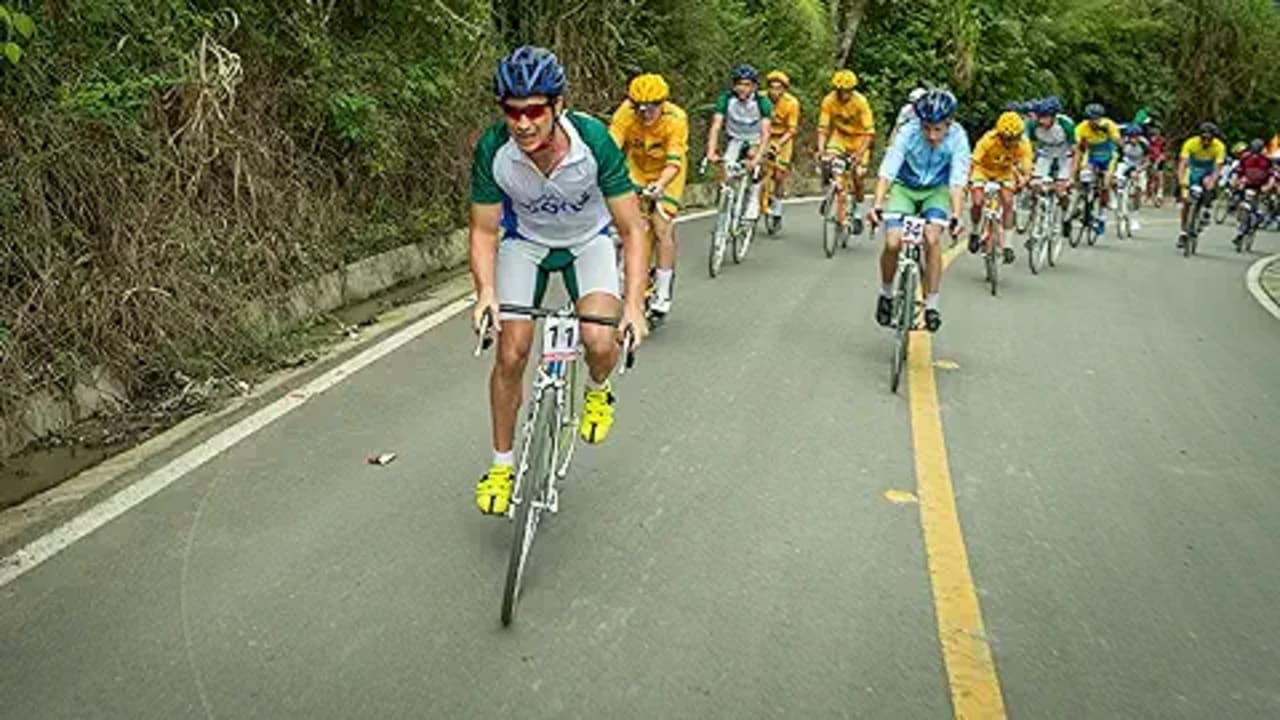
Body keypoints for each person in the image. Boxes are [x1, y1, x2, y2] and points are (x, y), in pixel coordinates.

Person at [469, 46, 649, 515]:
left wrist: (634, 305)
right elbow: (484, 230)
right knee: (511, 351)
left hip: (588, 242)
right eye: (512, 112)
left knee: (599, 339)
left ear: (558, 106)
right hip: (524, 243)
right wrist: (486, 293)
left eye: (534, 111)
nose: (523, 123)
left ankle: (597, 390)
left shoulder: (594, 142)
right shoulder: (495, 150)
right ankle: (502, 466)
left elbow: (632, 229)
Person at [865, 89, 970, 332]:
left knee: (932, 239)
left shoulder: (958, 138)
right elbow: (887, 171)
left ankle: (932, 304)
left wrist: (956, 215)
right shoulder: (907, 133)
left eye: (938, 130)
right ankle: (886, 293)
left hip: (937, 190)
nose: (932, 135)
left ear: (949, 124)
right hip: (905, 189)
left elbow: (957, 181)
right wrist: (878, 205)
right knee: (893, 243)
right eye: (927, 128)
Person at [608, 73, 689, 317]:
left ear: (662, 104)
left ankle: (663, 291)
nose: (645, 113)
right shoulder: (625, 113)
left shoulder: (676, 119)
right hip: (636, 168)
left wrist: (660, 186)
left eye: (652, 107)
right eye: (639, 107)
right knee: (624, 221)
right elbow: (610, 147)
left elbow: (674, 161)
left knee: (661, 224)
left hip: (668, 172)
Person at [706, 64, 773, 224]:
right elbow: (716, 126)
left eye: (747, 85)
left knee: (754, 161)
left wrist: (757, 158)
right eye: (739, 84)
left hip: (755, 139)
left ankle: (753, 199)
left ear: (755, 87)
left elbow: (765, 134)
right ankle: (726, 203)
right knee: (726, 167)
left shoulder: (763, 102)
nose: (742, 88)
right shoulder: (726, 99)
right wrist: (711, 151)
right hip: (735, 139)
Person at [968, 111, 1033, 263]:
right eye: (1007, 139)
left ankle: (1008, 245)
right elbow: (974, 161)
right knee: (977, 202)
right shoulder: (988, 139)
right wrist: (969, 182)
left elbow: (1026, 164)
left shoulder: (1023, 144)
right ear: (1000, 134)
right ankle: (975, 231)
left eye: (1014, 139)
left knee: (1008, 202)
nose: (1010, 143)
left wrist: (1024, 179)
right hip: (982, 170)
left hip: (1005, 172)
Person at [816, 69, 876, 232]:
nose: (843, 95)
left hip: (859, 139)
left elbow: (870, 132)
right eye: (840, 92)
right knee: (828, 161)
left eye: (847, 92)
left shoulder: (861, 102)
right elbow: (823, 128)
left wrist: (859, 154)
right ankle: (831, 190)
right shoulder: (828, 101)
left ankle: (857, 210)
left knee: (858, 175)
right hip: (840, 137)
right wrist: (821, 150)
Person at [1028, 96, 1076, 237]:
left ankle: (1066, 216)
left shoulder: (1066, 125)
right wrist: (1029, 168)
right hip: (1046, 155)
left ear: (1054, 116)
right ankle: (1036, 214)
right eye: (1040, 117)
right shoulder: (1033, 125)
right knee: (1035, 185)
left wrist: (1072, 176)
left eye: (1045, 117)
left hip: (1064, 156)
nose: (1042, 121)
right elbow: (1030, 148)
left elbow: (1077, 151)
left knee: (1061, 190)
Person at [1175, 121, 1226, 248]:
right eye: (1204, 138)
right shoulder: (1190, 143)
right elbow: (1182, 164)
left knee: (1208, 185)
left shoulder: (1219, 146)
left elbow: (1218, 168)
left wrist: (1212, 181)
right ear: (1199, 137)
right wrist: (1181, 180)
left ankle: (1206, 209)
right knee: (1186, 201)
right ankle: (1183, 232)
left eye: (1210, 139)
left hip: (1208, 170)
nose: (1206, 142)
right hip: (1192, 169)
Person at [1073, 103, 1122, 235]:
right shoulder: (1082, 127)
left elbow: (1119, 142)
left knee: (1105, 185)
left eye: (1096, 119)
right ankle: (1082, 200)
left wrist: (1110, 134)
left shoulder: (1109, 125)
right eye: (1091, 119)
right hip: (1092, 155)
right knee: (1084, 174)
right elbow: (1077, 146)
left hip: (1108, 156)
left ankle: (1102, 216)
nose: (1093, 122)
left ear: (1101, 118)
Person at [764, 70, 802, 220]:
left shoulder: (792, 103)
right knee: (761, 169)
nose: (774, 92)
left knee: (779, 174)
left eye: (778, 88)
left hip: (783, 138)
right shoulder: (761, 98)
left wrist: (778, 145)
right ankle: (760, 198)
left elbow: (792, 129)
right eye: (772, 87)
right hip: (765, 136)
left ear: (784, 89)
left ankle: (777, 206)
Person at [1229, 138, 1275, 249]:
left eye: (1258, 153)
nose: (1255, 156)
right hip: (1247, 184)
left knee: (1259, 209)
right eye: (1254, 152)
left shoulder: (1268, 161)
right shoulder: (1245, 158)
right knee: (1241, 203)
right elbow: (1238, 172)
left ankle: (1259, 220)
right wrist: (1236, 182)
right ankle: (1240, 227)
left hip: (1260, 186)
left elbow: (1273, 175)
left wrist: (1268, 186)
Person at [1118, 124, 1150, 230]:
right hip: (1126, 165)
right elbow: (1118, 159)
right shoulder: (1123, 144)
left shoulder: (1144, 144)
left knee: (1137, 190)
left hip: (1139, 166)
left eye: (1136, 137)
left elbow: (1147, 162)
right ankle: (1118, 199)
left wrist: (1138, 170)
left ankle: (1135, 218)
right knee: (1115, 178)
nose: (1133, 139)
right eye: (1131, 137)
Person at [1146, 124, 1168, 206]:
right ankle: (1150, 196)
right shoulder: (1148, 143)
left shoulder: (1162, 141)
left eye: (1154, 136)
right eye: (1151, 136)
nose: (1153, 138)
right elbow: (1147, 154)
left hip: (1159, 160)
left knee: (1160, 176)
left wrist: (1158, 161)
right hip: (1151, 160)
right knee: (1151, 178)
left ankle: (1160, 194)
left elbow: (1163, 153)